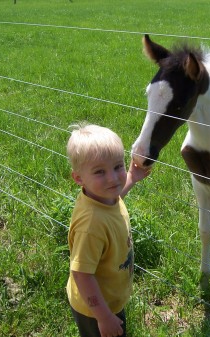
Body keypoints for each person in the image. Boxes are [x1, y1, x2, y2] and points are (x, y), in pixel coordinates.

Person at [66, 123, 151, 337]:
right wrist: (103, 317)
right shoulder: (91, 225)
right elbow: (81, 273)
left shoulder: (103, 196)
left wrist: (131, 177)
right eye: (99, 172)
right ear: (78, 178)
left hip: (108, 300)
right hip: (93, 310)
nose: (113, 178)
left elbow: (116, 196)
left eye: (117, 166)